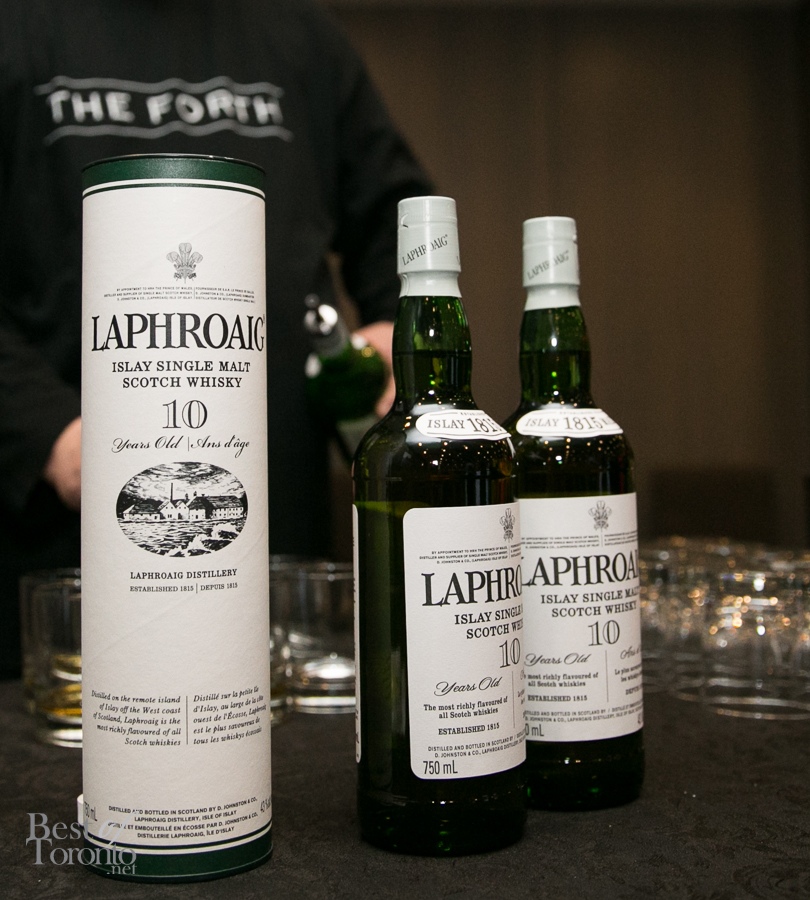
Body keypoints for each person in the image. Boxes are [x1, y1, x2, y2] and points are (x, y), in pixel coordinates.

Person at [0, 0, 432, 677]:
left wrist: (393, 332)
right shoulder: (19, 26)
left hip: (277, 541)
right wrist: (45, 430)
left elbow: (404, 219)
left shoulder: (303, 35)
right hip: (66, 551)